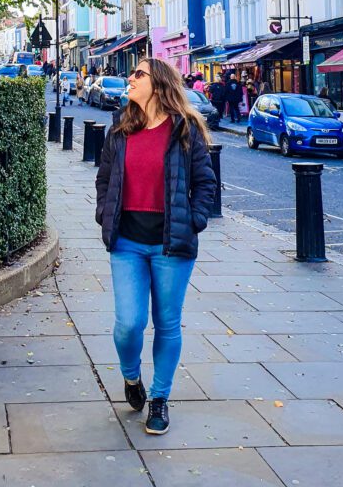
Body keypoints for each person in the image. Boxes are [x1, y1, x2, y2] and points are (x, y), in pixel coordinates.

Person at [95, 58, 216, 436]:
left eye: (138, 74)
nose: (130, 79)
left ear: (158, 83)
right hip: (127, 241)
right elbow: (104, 178)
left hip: (170, 243)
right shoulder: (121, 128)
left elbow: (205, 183)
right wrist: (104, 214)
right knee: (128, 324)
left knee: (167, 324)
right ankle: (132, 378)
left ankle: (160, 399)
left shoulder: (186, 128)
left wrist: (193, 219)